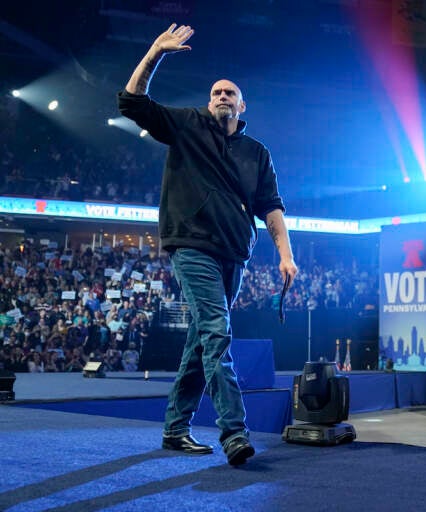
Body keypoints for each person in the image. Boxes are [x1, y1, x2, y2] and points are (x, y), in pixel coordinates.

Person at [117, 24, 298, 466]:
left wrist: (286, 254)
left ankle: (175, 430)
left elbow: (272, 207)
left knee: (201, 344)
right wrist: (156, 51)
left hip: (234, 254)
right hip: (192, 247)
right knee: (217, 332)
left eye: (229, 93)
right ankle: (234, 432)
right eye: (215, 91)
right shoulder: (186, 124)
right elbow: (131, 101)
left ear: (242, 105)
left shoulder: (257, 152)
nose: (220, 96)